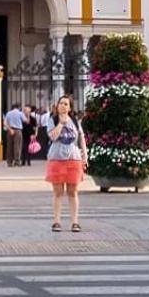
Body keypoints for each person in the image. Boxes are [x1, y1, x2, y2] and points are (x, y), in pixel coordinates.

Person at [45, 95, 86, 232]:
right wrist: (61, 124)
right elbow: (53, 137)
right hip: (56, 159)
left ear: (70, 107)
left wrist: (85, 157)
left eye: (66, 104)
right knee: (58, 192)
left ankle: (75, 222)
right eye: (61, 103)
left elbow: (81, 139)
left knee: (73, 192)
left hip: (73, 159)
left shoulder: (74, 120)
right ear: (57, 106)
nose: (63, 106)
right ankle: (56, 222)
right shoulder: (52, 120)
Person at [4, 101, 25, 166]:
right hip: (18, 130)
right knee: (17, 146)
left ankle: (9, 162)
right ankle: (17, 161)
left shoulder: (8, 113)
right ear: (18, 107)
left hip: (10, 131)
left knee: (9, 146)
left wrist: (10, 130)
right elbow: (25, 120)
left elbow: (5, 123)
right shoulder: (20, 113)